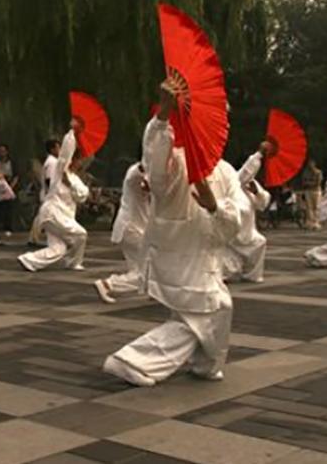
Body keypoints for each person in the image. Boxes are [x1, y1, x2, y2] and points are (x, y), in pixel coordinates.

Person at [102, 76, 241, 387]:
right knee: (216, 307)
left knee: (201, 313)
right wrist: (163, 115)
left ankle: (205, 364)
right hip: (179, 254)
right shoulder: (176, 161)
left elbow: (237, 219)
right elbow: (157, 174)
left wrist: (214, 205)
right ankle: (133, 359)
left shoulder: (226, 171)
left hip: (207, 257)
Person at [18, 124, 89, 272]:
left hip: (62, 216)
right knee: (81, 234)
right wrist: (72, 133)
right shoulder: (59, 170)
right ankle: (73, 262)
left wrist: (70, 184)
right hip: (54, 213)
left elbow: (82, 195)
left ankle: (28, 260)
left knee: (58, 249)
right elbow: (64, 155)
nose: (79, 163)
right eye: (77, 159)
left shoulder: (74, 179)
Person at [94, 161, 150, 303]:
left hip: (132, 227)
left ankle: (153, 292)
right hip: (132, 228)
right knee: (146, 270)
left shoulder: (142, 175)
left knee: (141, 268)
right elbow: (146, 182)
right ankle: (108, 284)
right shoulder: (135, 173)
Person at [222, 143, 273, 283]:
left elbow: (263, 203)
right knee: (230, 270)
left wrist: (257, 193)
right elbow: (246, 172)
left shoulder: (252, 184)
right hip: (234, 230)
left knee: (260, 243)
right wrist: (259, 154)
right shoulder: (234, 180)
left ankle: (252, 275)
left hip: (248, 230)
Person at [28, 139, 60, 245]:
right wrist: (51, 193)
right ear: (52, 149)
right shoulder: (52, 162)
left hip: (48, 193)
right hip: (50, 194)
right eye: (57, 147)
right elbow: (49, 179)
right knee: (43, 216)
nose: (59, 150)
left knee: (43, 216)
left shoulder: (51, 161)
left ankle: (34, 238)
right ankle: (34, 238)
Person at [0, 143, 17, 235]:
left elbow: (16, 175)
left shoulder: (11, 162)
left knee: (9, 208)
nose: (2, 153)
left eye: (4, 151)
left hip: (8, 185)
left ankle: (8, 227)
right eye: (0, 151)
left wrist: (11, 187)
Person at [299, 160, 323, 231]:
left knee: (317, 206)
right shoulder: (306, 173)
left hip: (316, 191)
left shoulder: (318, 172)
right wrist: (309, 183)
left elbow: (318, 182)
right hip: (308, 191)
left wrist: (309, 183)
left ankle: (316, 222)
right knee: (309, 207)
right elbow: (303, 182)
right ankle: (310, 223)